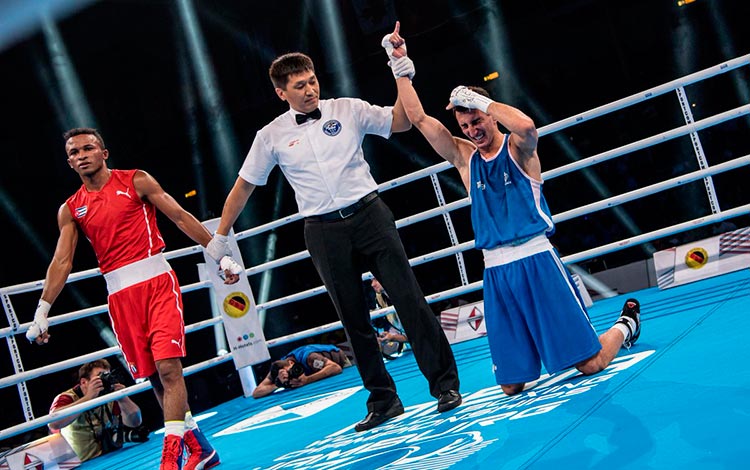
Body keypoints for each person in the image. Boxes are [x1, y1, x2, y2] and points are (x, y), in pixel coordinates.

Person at [383, 23, 642, 396]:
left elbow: (527, 124)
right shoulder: (464, 158)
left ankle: (626, 324)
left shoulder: (519, 150)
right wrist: (400, 66)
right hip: (496, 270)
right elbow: (421, 119)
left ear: (490, 115)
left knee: (590, 363)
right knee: (510, 385)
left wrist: (478, 99)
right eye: (466, 124)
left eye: (477, 120)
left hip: (537, 260)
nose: (473, 129)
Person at [208, 51, 461, 432]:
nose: (310, 90)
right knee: (353, 319)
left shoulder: (347, 108)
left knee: (408, 299)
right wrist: (220, 237)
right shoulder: (271, 135)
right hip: (323, 231)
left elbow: (401, 121)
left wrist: (400, 73)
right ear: (281, 93)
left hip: (370, 214)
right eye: (299, 86)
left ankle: (444, 385)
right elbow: (244, 186)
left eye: (312, 81)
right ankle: (383, 400)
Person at [25, 127, 242, 469]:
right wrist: (42, 310)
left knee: (170, 369)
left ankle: (170, 457)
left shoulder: (136, 180)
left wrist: (221, 255)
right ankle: (200, 448)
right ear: (69, 162)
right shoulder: (71, 209)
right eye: (74, 153)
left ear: (103, 153)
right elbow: (62, 261)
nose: (81, 155)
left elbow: (179, 216)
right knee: (155, 377)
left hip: (157, 283)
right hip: (120, 297)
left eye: (87, 148)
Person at [48, 359, 143, 462]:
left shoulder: (109, 393)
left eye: (107, 375)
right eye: (101, 376)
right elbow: (53, 424)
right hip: (82, 464)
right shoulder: (67, 397)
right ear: (84, 382)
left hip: (111, 456)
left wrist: (123, 398)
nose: (105, 380)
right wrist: (88, 398)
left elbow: (135, 422)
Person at [252, 344, 352, 398]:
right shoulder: (278, 368)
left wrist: (307, 380)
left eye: (289, 372)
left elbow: (335, 368)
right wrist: (278, 384)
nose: (291, 377)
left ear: (291, 363)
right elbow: (256, 392)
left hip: (340, 360)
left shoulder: (309, 358)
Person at [369, 278, 409, 360]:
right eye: (371, 281)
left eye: (376, 279)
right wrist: (389, 335)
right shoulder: (380, 298)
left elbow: (417, 334)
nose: (372, 284)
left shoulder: (403, 296)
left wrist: (393, 337)